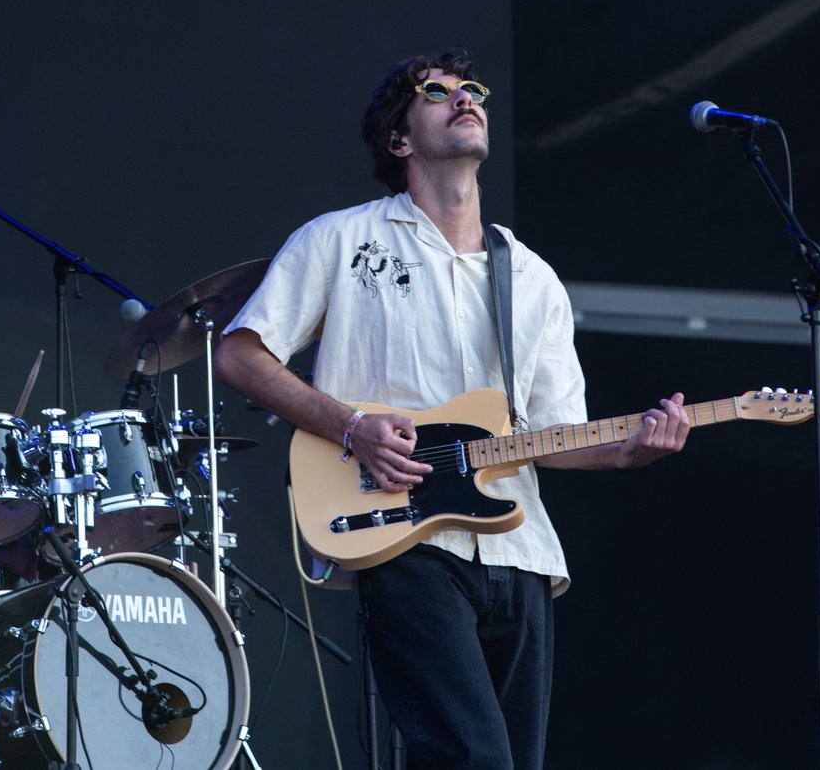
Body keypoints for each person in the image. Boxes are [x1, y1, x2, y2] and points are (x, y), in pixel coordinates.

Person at [213, 50, 691, 770]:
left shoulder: (531, 277)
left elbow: (553, 433)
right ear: (400, 139)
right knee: (474, 758)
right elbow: (239, 357)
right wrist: (352, 427)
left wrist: (629, 450)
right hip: (403, 535)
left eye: (472, 89)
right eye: (437, 92)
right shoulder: (340, 239)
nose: (465, 98)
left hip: (521, 550)